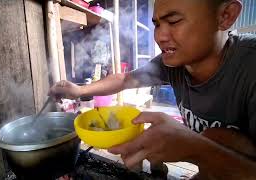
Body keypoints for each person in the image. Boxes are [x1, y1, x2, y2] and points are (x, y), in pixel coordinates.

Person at [49, 0, 256, 179]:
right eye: (157, 24)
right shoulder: (173, 64)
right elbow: (125, 79)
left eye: (174, 21)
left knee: (221, 138)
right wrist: (79, 90)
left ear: (225, 16)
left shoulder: (250, 65)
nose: (160, 36)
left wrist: (195, 147)